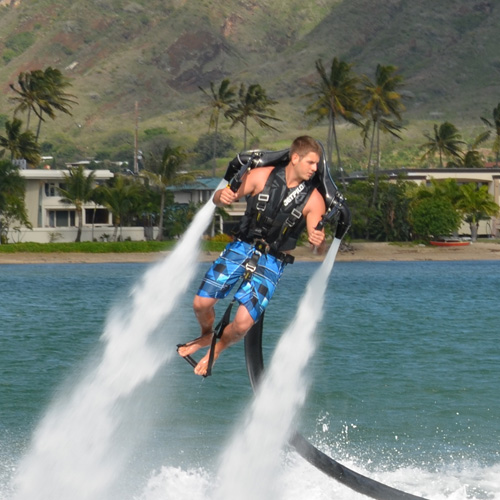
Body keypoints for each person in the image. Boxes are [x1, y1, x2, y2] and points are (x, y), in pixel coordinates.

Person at [178, 135, 327, 376]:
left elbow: (318, 245)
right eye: (311, 162)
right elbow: (221, 197)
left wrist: (319, 242)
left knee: (243, 324)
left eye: (317, 164)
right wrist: (221, 197)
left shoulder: (314, 200)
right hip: (241, 247)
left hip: (272, 260)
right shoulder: (261, 176)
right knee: (200, 304)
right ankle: (207, 334)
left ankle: (216, 348)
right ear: (295, 158)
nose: (315, 168)